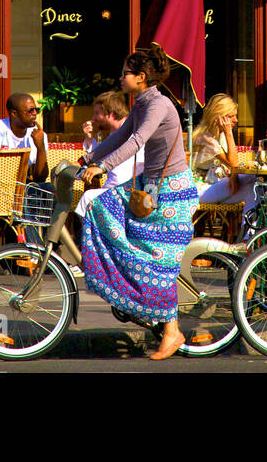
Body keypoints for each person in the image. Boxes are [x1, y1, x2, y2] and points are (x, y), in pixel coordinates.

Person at [79, 46, 196, 361]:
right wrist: (88, 158)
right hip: (150, 187)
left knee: (155, 257)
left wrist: (101, 167)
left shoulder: (158, 104)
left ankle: (171, 329)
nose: (120, 77)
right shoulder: (141, 104)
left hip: (171, 192)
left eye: (125, 73)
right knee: (99, 207)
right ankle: (134, 297)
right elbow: (119, 137)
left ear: (141, 78)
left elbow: (136, 142)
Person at [76, 90, 139, 218]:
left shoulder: (131, 134)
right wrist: (89, 138)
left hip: (126, 190)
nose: (93, 118)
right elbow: (101, 156)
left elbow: (111, 159)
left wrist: (99, 168)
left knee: (86, 200)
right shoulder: (116, 133)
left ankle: (91, 237)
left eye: (97, 113)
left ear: (110, 114)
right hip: (112, 188)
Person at [191, 93, 258, 213]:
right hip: (200, 190)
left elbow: (233, 167)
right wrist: (229, 133)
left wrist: (234, 176)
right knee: (252, 180)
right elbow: (233, 163)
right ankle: (249, 231)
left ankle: (249, 230)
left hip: (214, 185)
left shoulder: (219, 135)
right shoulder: (205, 138)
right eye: (231, 116)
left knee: (255, 189)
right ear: (218, 117)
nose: (236, 120)